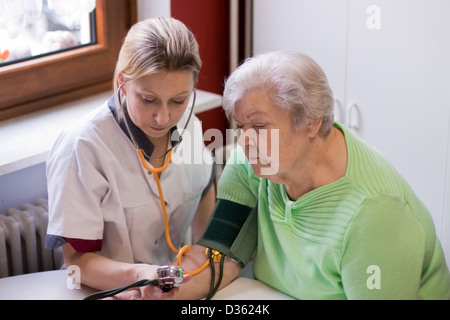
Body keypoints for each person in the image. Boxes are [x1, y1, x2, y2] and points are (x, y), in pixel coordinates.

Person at [170, 50, 450, 300]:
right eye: (242, 125)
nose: (244, 141)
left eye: (259, 125)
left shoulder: (374, 214)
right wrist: (164, 290)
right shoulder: (251, 162)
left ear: (312, 122)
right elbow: (220, 254)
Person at [45, 17, 216, 299]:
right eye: (148, 100)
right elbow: (76, 263)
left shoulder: (191, 127)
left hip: (169, 289)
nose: (164, 118)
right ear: (123, 83)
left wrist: (200, 261)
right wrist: (141, 276)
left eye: (178, 100)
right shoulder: (83, 146)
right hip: (106, 291)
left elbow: (205, 186)